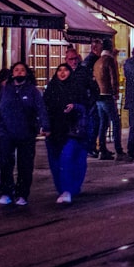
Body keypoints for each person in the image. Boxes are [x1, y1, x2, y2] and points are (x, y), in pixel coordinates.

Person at [0, 62, 49, 206]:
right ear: (12, 73)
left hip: (26, 133)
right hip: (6, 133)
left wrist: (45, 126)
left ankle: (22, 194)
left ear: (27, 73)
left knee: (25, 165)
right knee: (6, 164)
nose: (19, 72)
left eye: (22, 70)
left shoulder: (33, 91)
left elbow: (41, 109)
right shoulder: (5, 90)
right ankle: (6, 192)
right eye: (16, 70)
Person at [43, 62, 89, 203]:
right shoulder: (51, 89)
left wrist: (75, 106)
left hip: (72, 130)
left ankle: (68, 189)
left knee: (67, 158)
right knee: (55, 162)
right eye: (59, 70)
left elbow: (86, 106)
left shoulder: (77, 88)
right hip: (54, 131)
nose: (62, 73)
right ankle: (63, 188)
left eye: (65, 70)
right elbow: (44, 108)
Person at [93, 37, 124, 159]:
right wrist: (115, 92)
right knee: (116, 123)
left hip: (98, 97)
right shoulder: (110, 60)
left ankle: (102, 150)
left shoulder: (97, 62)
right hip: (107, 96)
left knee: (103, 123)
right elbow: (114, 78)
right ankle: (119, 151)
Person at [82, 39, 103, 156]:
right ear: (95, 49)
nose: (101, 51)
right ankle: (91, 147)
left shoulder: (87, 60)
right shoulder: (94, 61)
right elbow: (91, 80)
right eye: (100, 49)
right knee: (94, 121)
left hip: (91, 95)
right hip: (93, 96)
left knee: (95, 121)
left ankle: (92, 146)